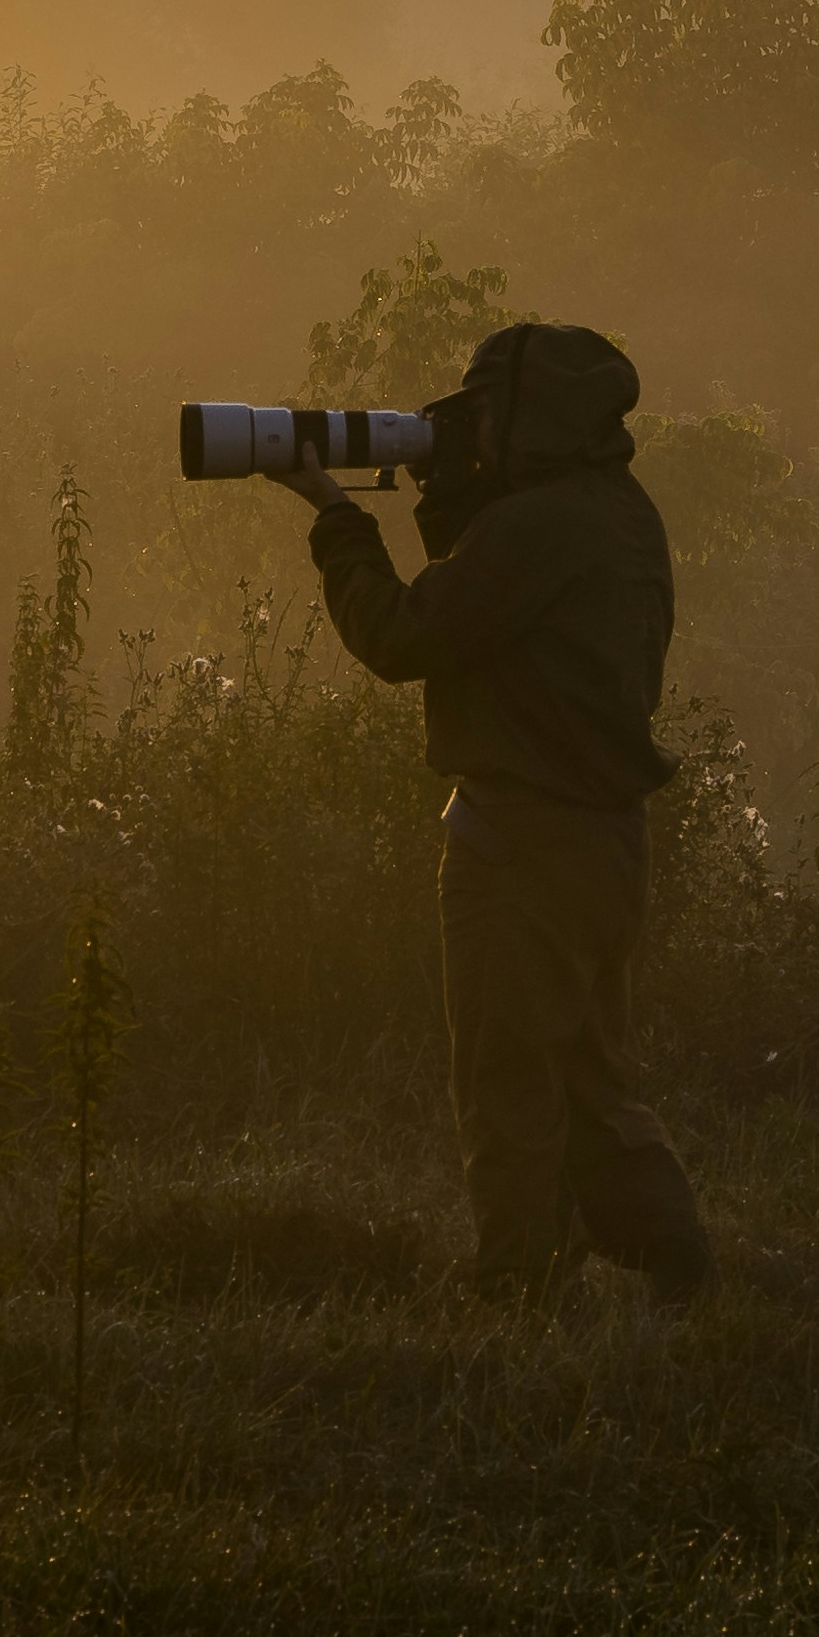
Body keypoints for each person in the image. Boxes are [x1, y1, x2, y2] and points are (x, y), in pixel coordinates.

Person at [266, 321, 715, 1306]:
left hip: (518, 844)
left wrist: (333, 510)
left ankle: (519, 1295)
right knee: (590, 1077)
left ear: (520, 416)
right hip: (604, 842)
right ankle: (674, 1257)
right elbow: (503, 613)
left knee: (509, 1079)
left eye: (482, 412)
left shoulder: (539, 524)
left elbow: (403, 633)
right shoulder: (616, 509)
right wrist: (460, 502)